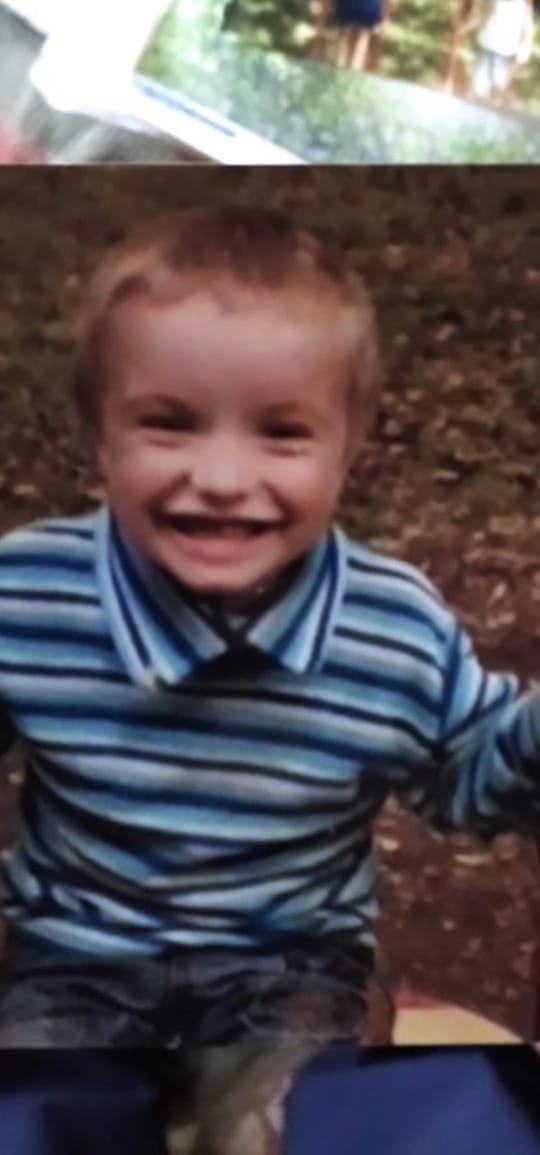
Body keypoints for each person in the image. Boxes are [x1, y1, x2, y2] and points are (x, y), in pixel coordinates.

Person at [1, 205, 540, 1151]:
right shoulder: (29, 594)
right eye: (168, 423)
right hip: (73, 956)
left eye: (282, 434)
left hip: (288, 966)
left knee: (291, 1127)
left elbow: (472, 775)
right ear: (101, 434)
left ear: (348, 445)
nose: (220, 475)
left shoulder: (391, 626)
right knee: (30, 1120)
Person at [470, 0, 535, 102]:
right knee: (480, 83)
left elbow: (527, 32)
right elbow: (482, 12)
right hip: (488, 44)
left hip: (505, 50)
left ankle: (492, 101)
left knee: (498, 83)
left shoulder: (523, 7)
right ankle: (480, 99)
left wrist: (523, 52)